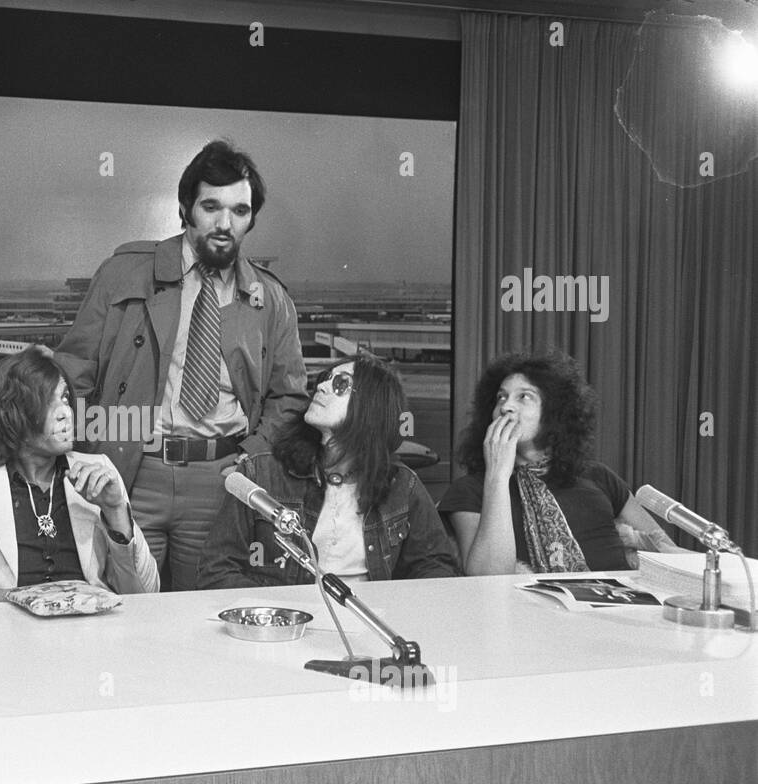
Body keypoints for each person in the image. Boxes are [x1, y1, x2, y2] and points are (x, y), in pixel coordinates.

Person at [56, 139, 308, 591]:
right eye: (211, 206)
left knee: (202, 618)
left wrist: (249, 459)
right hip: (131, 469)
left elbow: (288, 399)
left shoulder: (271, 300)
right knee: (124, 612)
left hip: (221, 478)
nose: (225, 223)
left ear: (251, 218)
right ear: (185, 207)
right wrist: (90, 453)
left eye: (240, 211)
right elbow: (74, 373)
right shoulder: (123, 274)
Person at [0, 347, 159, 607]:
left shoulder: (99, 473)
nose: (66, 413)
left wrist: (116, 513)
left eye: (66, 398)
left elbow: (146, 595)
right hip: (1, 636)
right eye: (48, 402)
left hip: (88, 638)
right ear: (15, 415)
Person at [199, 355, 458, 588]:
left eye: (340, 384)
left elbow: (437, 567)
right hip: (285, 628)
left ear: (371, 406)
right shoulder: (261, 473)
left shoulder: (402, 485)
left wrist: (395, 607)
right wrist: (278, 615)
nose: (321, 387)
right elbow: (217, 570)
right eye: (325, 379)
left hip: (365, 623)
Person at [440, 351, 680, 575]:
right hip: (529, 618)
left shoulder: (597, 476)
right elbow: (486, 581)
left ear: (555, 411)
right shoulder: (469, 490)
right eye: (501, 397)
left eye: (524, 397)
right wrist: (498, 476)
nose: (506, 407)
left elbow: (669, 555)